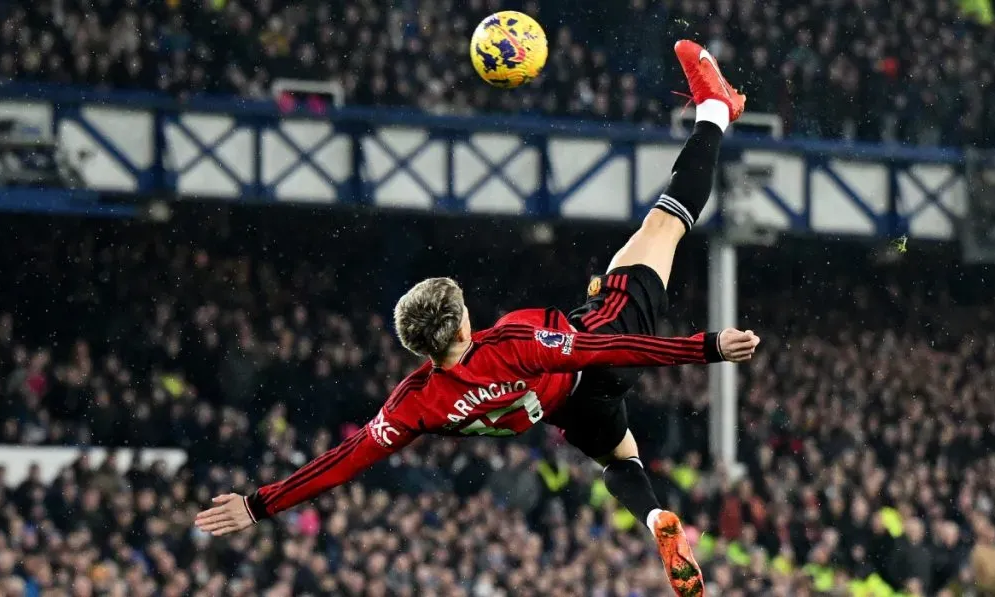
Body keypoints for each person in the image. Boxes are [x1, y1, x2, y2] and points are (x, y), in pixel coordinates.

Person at [196, 39, 748, 597]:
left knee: (619, 458)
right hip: (601, 345)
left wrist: (259, 504)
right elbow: (599, 352)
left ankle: (656, 520)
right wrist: (707, 348)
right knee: (665, 223)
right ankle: (716, 109)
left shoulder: (415, 402)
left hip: (566, 409)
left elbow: (343, 461)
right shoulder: (509, 341)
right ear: (462, 323)